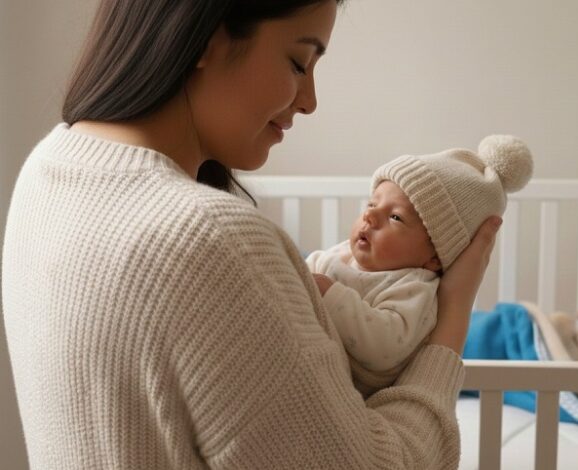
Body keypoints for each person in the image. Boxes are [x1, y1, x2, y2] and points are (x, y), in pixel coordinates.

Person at [1, 1, 503, 469]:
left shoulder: (48, 168)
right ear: (207, 39)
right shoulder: (212, 242)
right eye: (298, 62)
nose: (309, 101)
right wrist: (452, 319)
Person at [307, 135, 533, 396]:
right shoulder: (339, 254)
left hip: (352, 392)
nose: (369, 215)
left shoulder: (413, 287)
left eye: (395, 217)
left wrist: (330, 294)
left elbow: (386, 347)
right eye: (372, 203)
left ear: (435, 256)